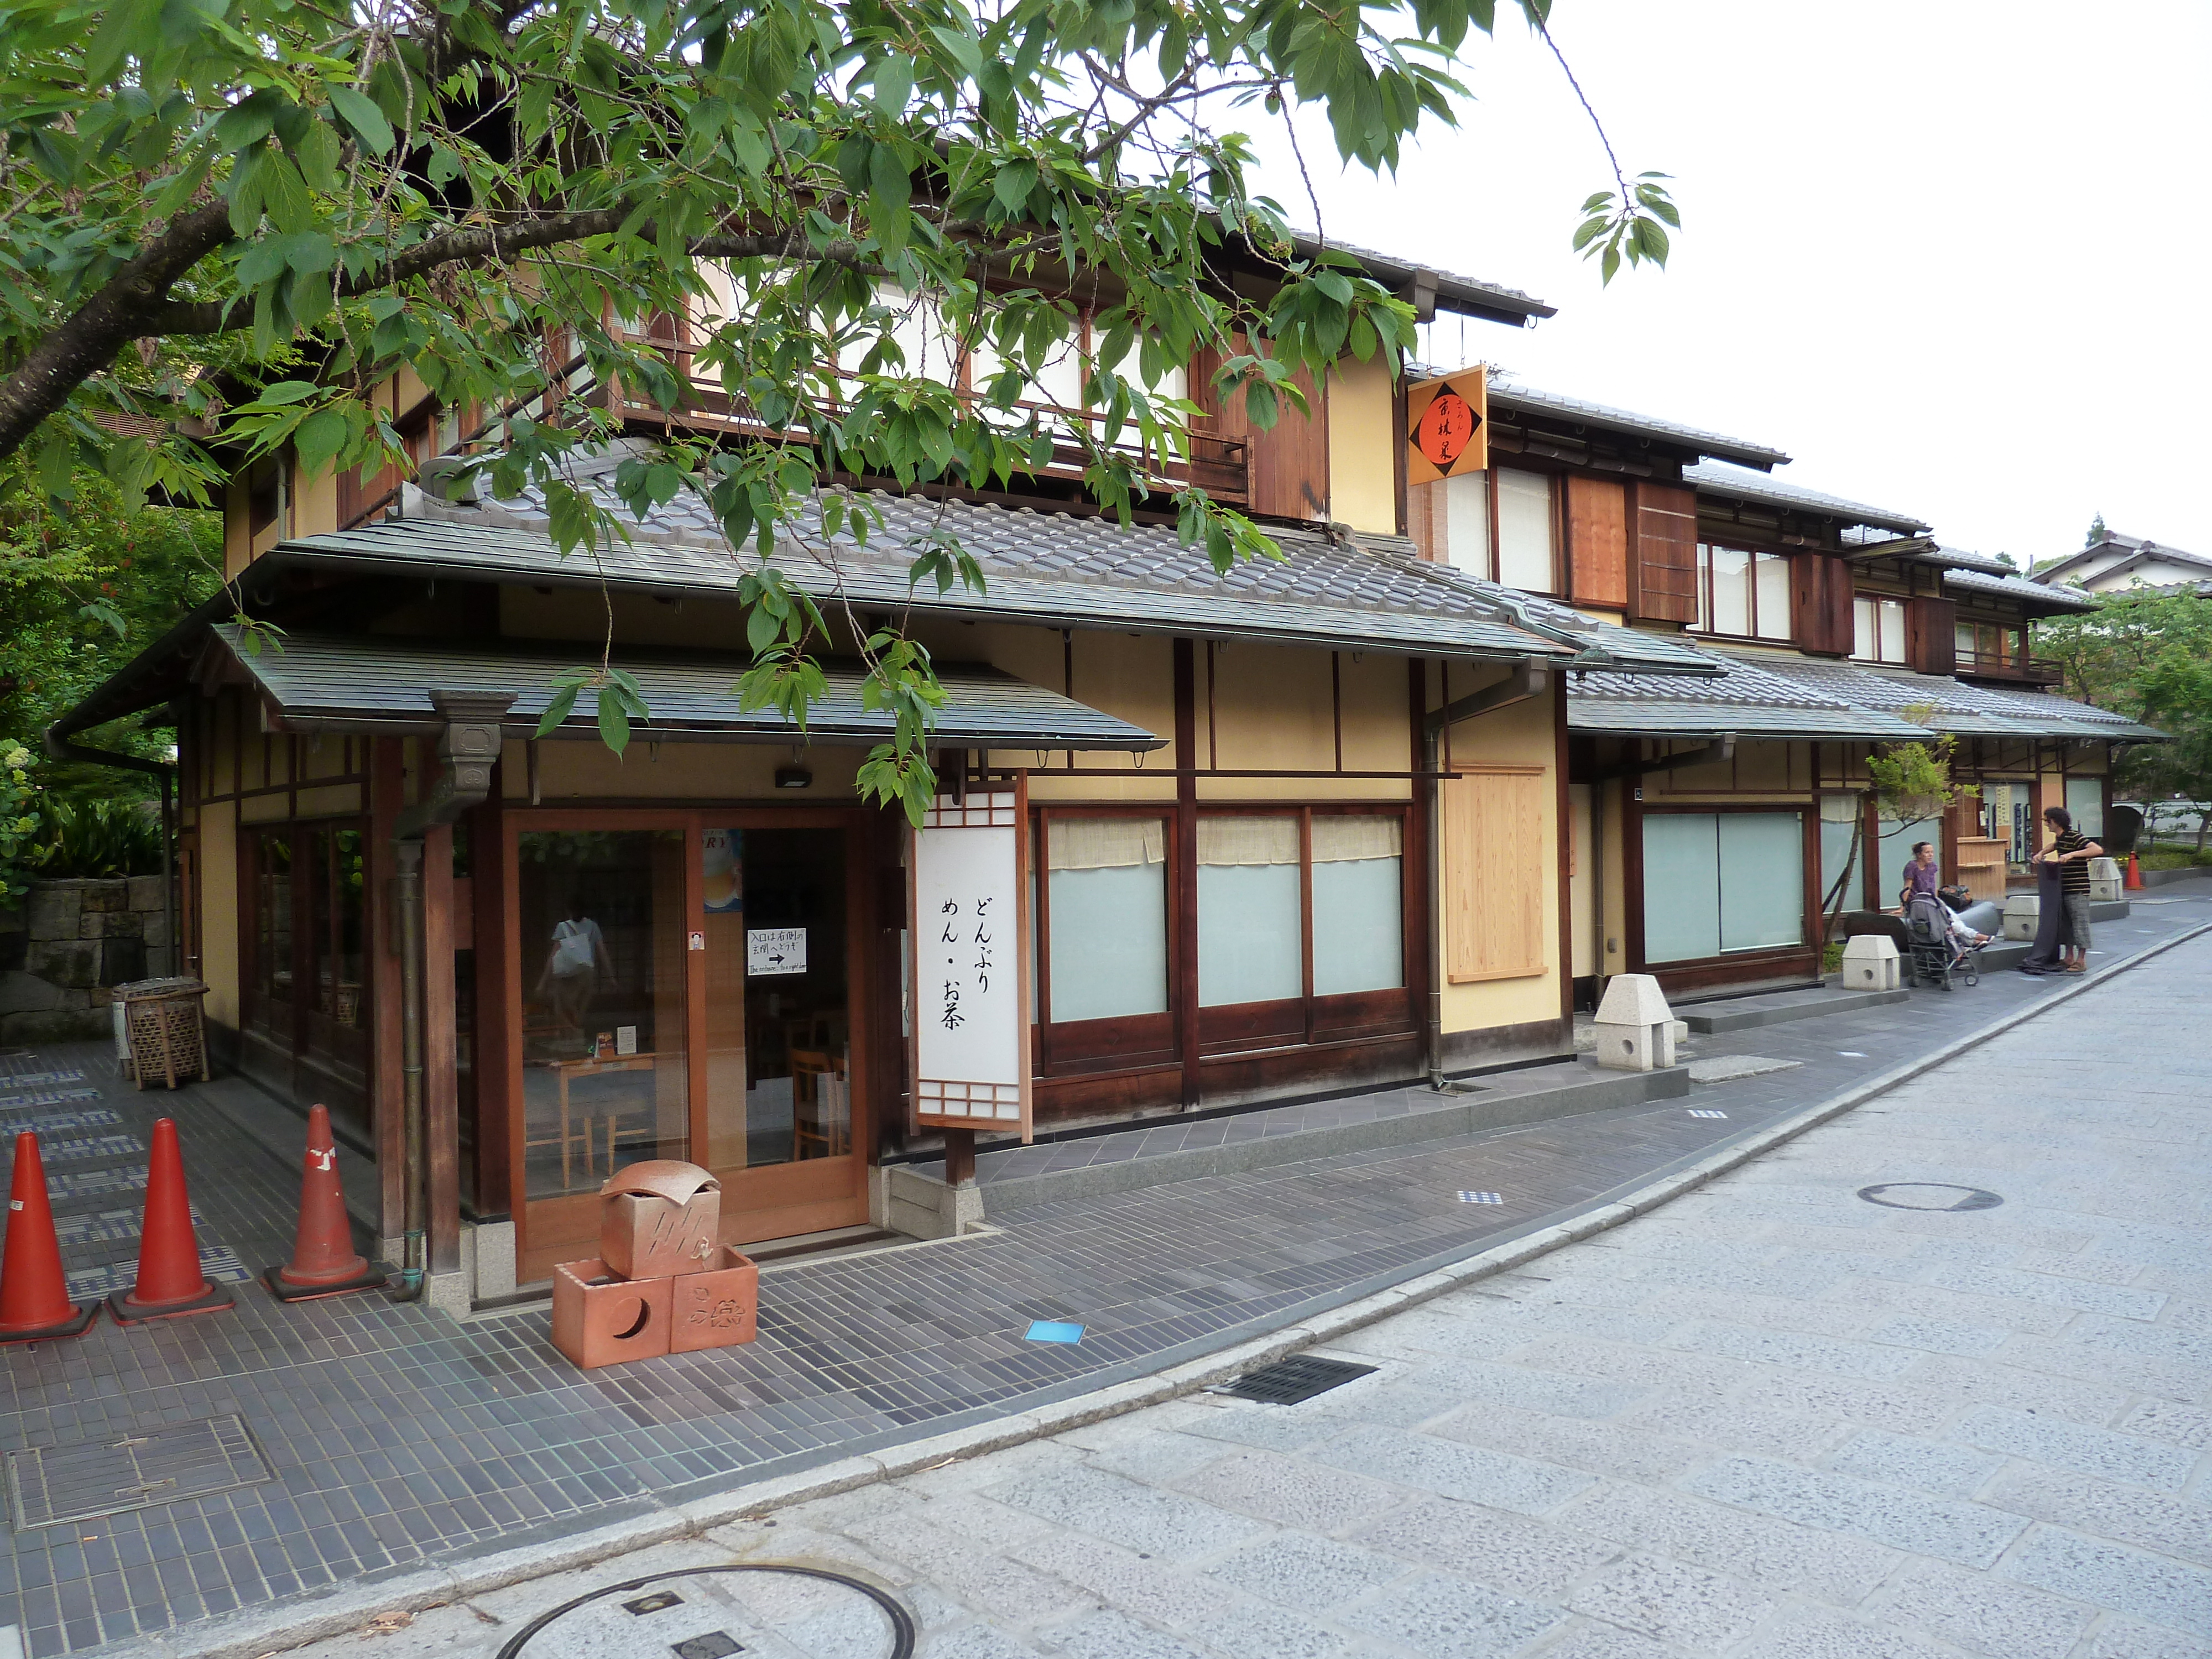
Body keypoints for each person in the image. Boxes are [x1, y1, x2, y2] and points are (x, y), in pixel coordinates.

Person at [2031, 806, 2102, 974]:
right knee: (2066, 925)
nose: (2046, 824)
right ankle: (2069, 957)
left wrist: (2071, 855)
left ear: (2055, 821)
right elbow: (2055, 845)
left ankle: (2081, 960)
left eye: (2047, 821)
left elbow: (2097, 849)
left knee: (2080, 924)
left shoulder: (2074, 836)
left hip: (2078, 889)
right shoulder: (2061, 838)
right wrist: (2041, 853)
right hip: (2063, 888)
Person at [534, 900, 615, 1036]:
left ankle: (571, 1037)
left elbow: (553, 955)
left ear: (568, 910)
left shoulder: (563, 927)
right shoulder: (593, 926)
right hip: (587, 972)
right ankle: (578, 1035)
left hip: (567, 973)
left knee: (562, 1008)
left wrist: (543, 982)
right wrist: (611, 976)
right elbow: (602, 952)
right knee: (580, 1011)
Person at [1898, 841, 1992, 957]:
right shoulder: (1912, 866)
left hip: (1932, 902)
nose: (1930, 855)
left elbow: (1934, 886)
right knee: (1948, 922)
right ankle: (1978, 938)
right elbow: (1907, 887)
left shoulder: (1932, 866)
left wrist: (1938, 902)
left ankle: (1974, 942)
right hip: (1919, 904)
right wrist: (1902, 906)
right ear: (1919, 855)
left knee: (1953, 919)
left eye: (1932, 852)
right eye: (1927, 853)